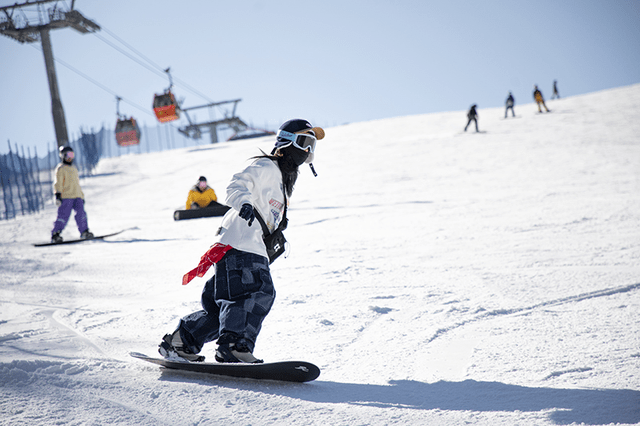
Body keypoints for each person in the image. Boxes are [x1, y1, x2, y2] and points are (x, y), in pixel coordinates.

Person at [159, 119, 325, 363]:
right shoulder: (267, 166)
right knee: (256, 291)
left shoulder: (281, 182)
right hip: (241, 244)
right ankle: (234, 346)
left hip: (242, 247)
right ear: (286, 142)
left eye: (312, 146)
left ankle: (181, 341)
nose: (307, 151)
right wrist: (244, 203)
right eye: (304, 142)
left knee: (223, 309)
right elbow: (237, 184)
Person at [51, 146, 93, 243]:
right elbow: (58, 183)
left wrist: (81, 196)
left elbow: (76, 184)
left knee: (81, 214)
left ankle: (84, 232)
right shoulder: (61, 169)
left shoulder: (74, 169)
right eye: (68, 155)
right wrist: (58, 194)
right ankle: (56, 234)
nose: (70, 158)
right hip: (66, 197)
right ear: (62, 156)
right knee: (63, 216)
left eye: (72, 155)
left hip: (77, 196)